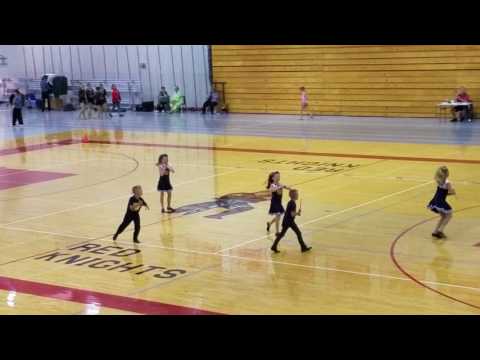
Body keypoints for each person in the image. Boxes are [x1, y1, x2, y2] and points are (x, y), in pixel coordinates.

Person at [271, 189, 312, 253]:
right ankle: (303, 247)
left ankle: (274, 246)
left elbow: (291, 213)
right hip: (289, 222)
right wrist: (297, 213)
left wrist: (296, 213)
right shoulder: (292, 203)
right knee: (298, 233)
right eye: (297, 194)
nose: (298, 195)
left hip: (288, 221)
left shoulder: (291, 202)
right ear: (294, 195)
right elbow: (292, 214)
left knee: (282, 234)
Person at [427, 166, 456, 239]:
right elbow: (451, 192)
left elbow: (442, 193)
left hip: (436, 200)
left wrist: (449, 192)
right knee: (449, 215)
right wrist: (453, 191)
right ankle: (440, 230)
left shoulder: (439, 180)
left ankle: (435, 231)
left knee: (443, 216)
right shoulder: (447, 182)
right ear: (447, 173)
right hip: (440, 201)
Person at [266, 171, 291, 236]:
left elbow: (286, 187)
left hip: (279, 203)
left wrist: (291, 189)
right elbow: (272, 190)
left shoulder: (280, 184)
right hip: (274, 203)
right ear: (272, 178)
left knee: (278, 217)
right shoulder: (272, 185)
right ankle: (277, 232)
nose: (278, 177)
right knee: (278, 215)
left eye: (279, 176)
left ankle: (269, 223)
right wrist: (280, 187)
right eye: (276, 176)